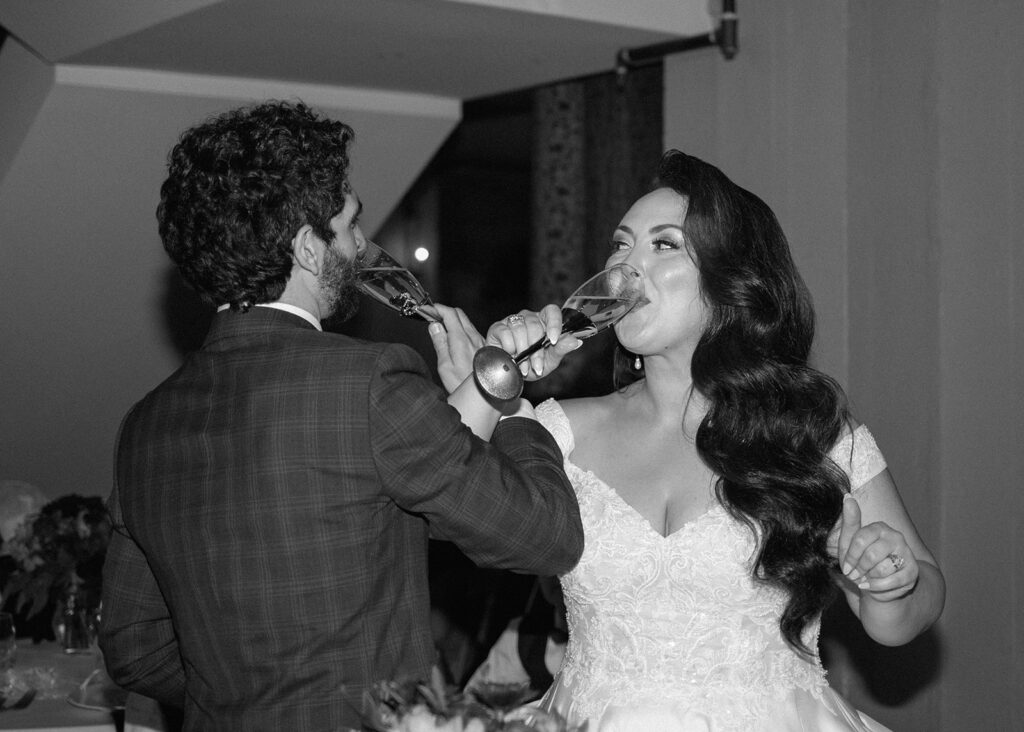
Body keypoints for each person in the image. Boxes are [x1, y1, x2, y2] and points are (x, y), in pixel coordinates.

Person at [99, 99, 584, 732]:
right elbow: (546, 536)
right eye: (350, 224)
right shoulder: (369, 380)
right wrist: (510, 397)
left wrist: (252, 693)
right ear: (306, 247)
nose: (361, 244)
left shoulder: (145, 425)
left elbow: (134, 649)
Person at [485, 150, 946, 731]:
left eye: (664, 244)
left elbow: (910, 611)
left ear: (731, 281)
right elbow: (449, 506)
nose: (625, 267)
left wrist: (888, 583)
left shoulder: (815, 436)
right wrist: (499, 381)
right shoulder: (556, 429)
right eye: (620, 244)